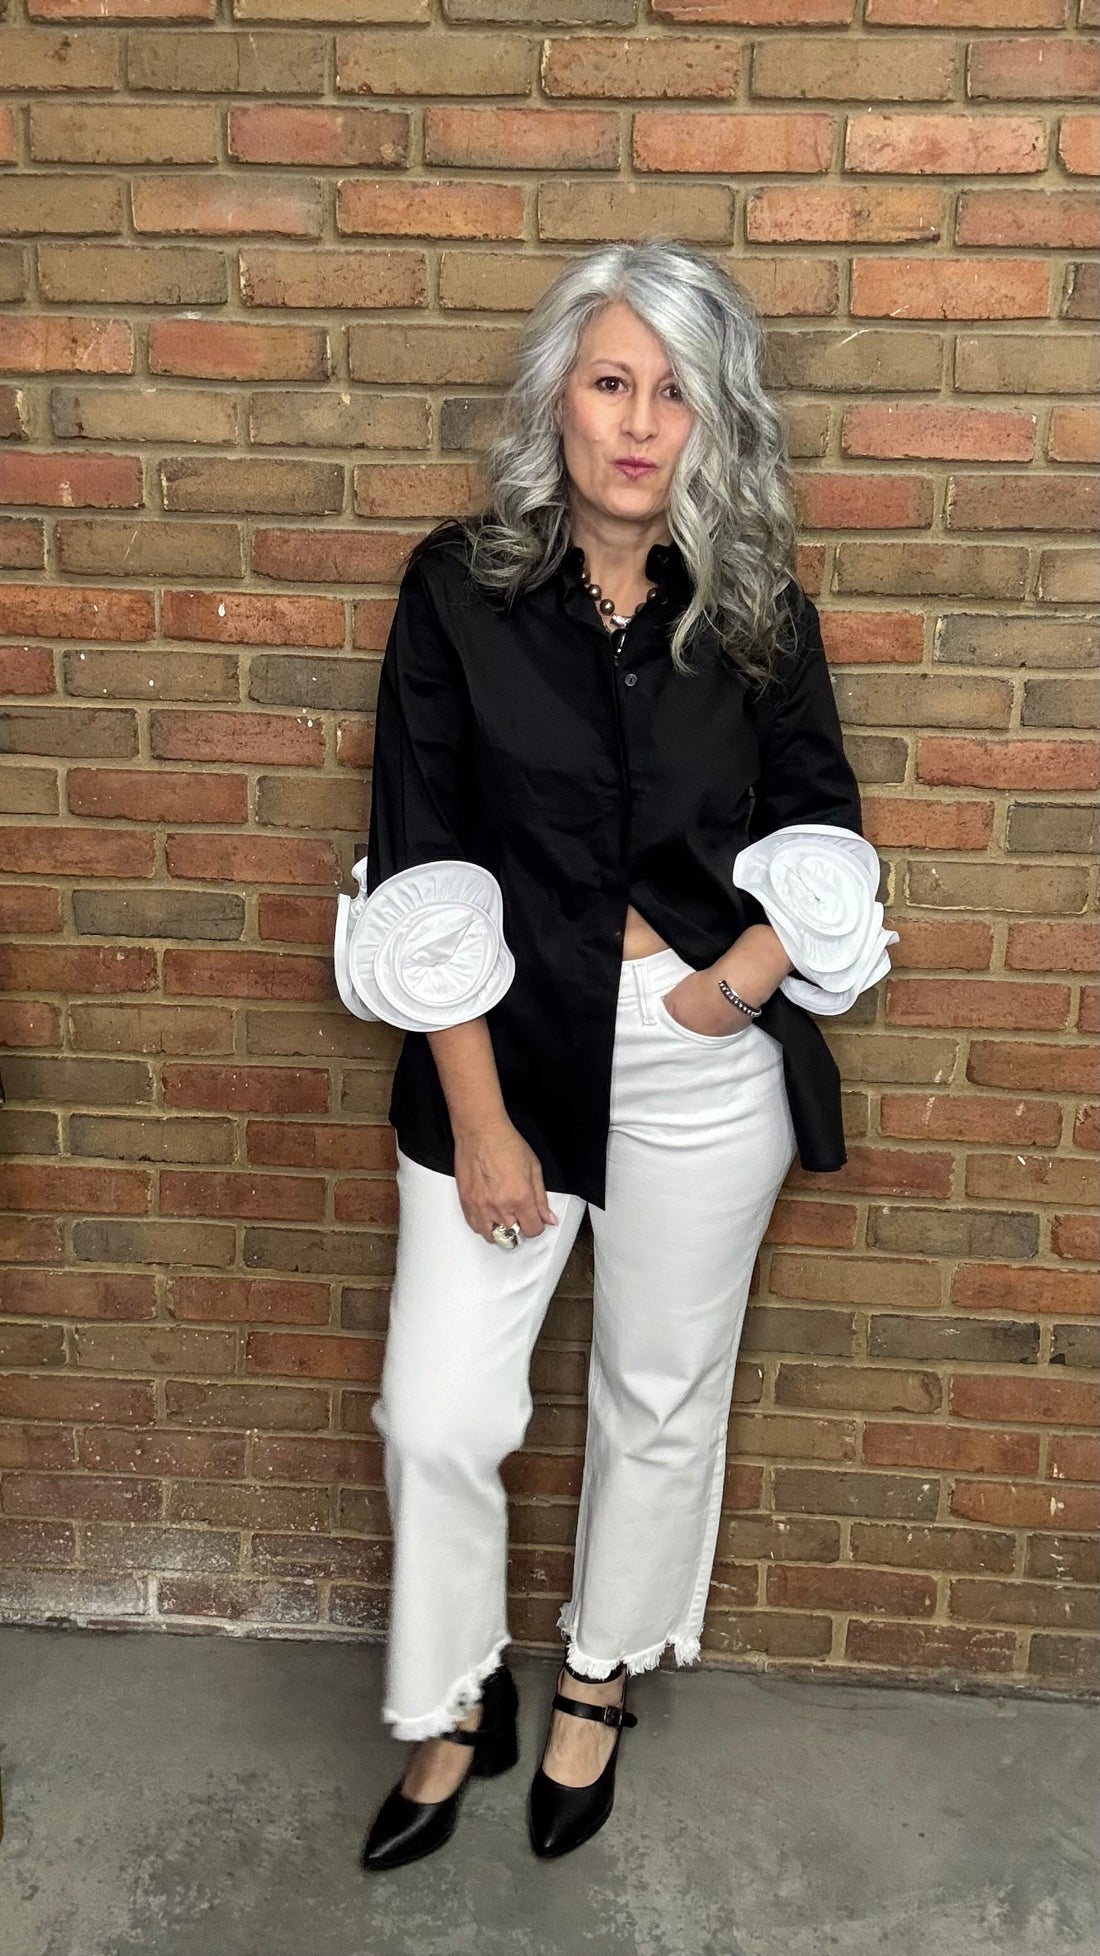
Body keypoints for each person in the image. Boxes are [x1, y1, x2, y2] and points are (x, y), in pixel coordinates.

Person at [333, 239, 897, 1871]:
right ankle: (453, 1698)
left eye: (677, 392)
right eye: (611, 381)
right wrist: (480, 1119)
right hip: (499, 1051)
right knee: (439, 1415)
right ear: (557, 402)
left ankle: (595, 1681)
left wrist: (734, 987)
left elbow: (822, 812)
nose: (641, 422)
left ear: (716, 420)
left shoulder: (759, 607)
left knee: (660, 1393)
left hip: (700, 1064)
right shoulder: (458, 590)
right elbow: (422, 842)